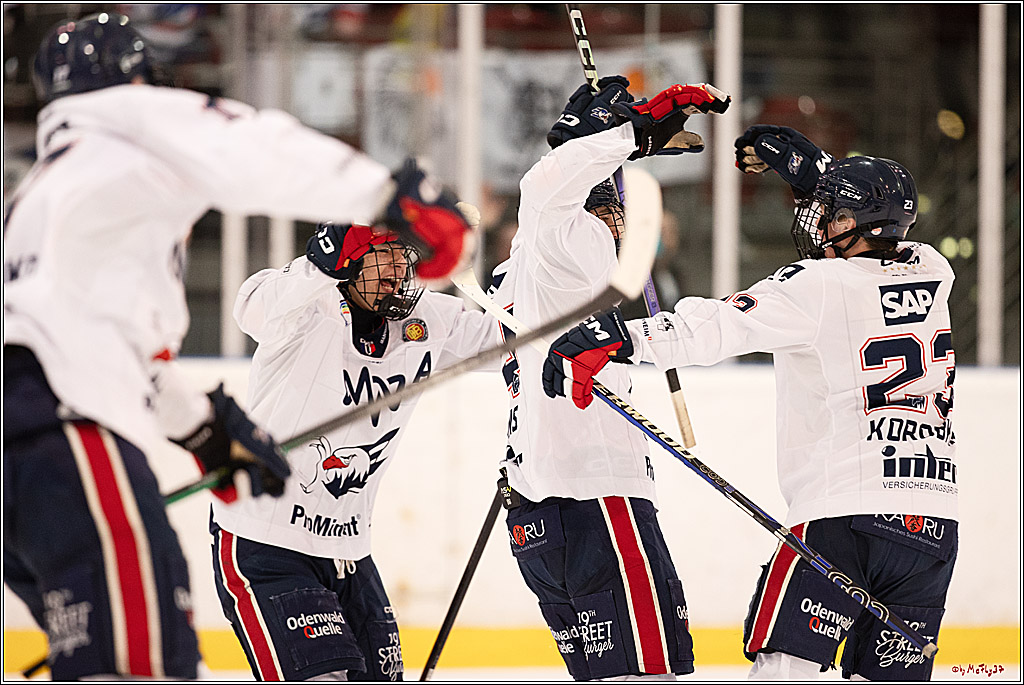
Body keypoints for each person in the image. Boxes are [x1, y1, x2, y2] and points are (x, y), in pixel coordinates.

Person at [3, 12, 470, 680]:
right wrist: (388, 196)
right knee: (143, 663)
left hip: (21, 456)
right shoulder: (129, 126)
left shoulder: (48, 194)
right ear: (137, 79)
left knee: (100, 655)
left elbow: (79, 342)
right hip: (67, 437)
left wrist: (204, 429)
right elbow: (251, 142)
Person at [543, 125, 958, 681]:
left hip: (844, 517)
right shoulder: (934, 271)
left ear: (857, 224)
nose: (819, 221)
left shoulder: (817, 284)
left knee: (783, 666)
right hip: (932, 525)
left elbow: (720, 324)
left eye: (833, 213)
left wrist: (621, 337)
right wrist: (818, 172)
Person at [488, 76, 730, 680]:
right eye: (614, 205)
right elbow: (544, 188)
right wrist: (623, 133)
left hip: (539, 516)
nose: (623, 221)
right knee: (649, 674)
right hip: (595, 499)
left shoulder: (522, 272)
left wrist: (616, 141)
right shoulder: (569, 237)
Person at [212, 218, 496, 681]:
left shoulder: (426, 319)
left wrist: (532, 292)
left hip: (350, 552)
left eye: (402, 258)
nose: (396, 270)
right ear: (348, 262)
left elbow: (513, 341)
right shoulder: (308, 307)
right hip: (266, 544)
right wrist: (316, 265)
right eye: (382, 255)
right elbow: (252, 308)